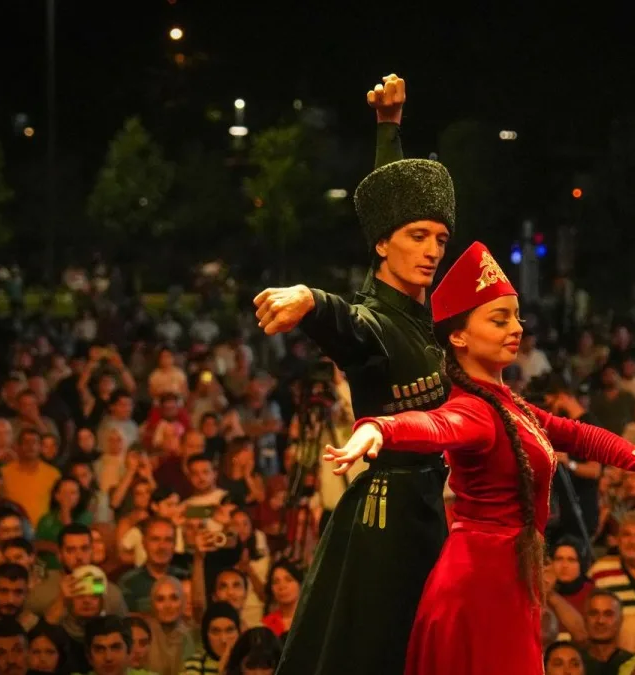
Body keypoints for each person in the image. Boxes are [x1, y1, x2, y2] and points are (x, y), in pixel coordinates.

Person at [324, 241, 635, 675]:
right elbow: (435, 425)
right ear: (458, 336)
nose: (516, 328)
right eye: (499, 319)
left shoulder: (509, 405)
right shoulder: (474, 409)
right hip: (479, 587)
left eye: (516, 317)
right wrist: (380, 428)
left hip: (505, 578)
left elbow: (580, 434)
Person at [253, 74, 459, 675]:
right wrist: (310, 299)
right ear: (382, 246)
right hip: (387, 526)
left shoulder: (421, 312)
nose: (431, 249)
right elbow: (346, 322)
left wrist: (388, 128)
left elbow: (390, 206)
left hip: (428, 510)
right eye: (417, 237)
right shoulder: (374, 323)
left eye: (439, 238)